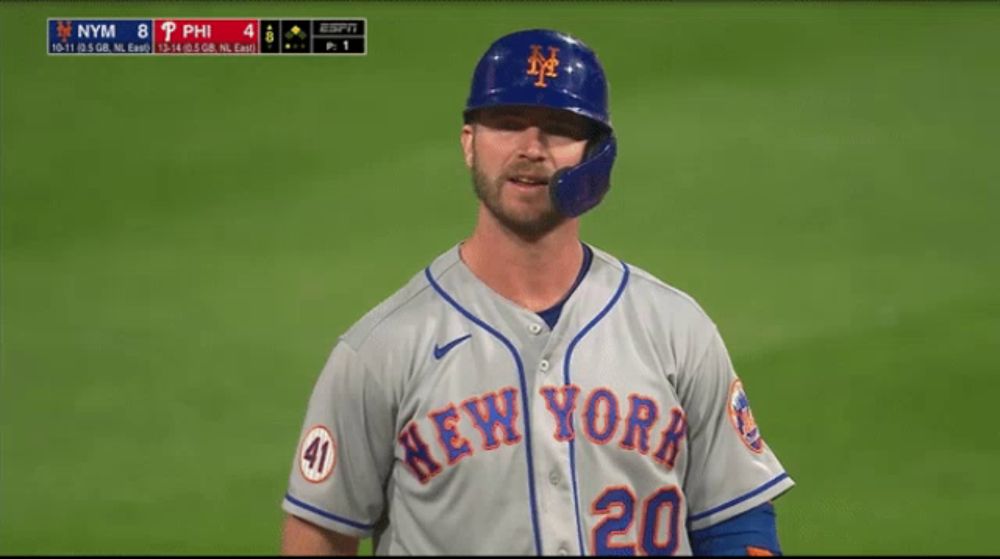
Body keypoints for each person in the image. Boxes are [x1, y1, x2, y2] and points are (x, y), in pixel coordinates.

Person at [280, 28, 794, 556]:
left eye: (559, 129)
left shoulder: (675, 329)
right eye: (506, 124)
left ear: (597, 154)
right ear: (468, 143)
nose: (531, 148)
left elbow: (736, 519)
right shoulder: (382, 350)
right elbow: (319, 533)